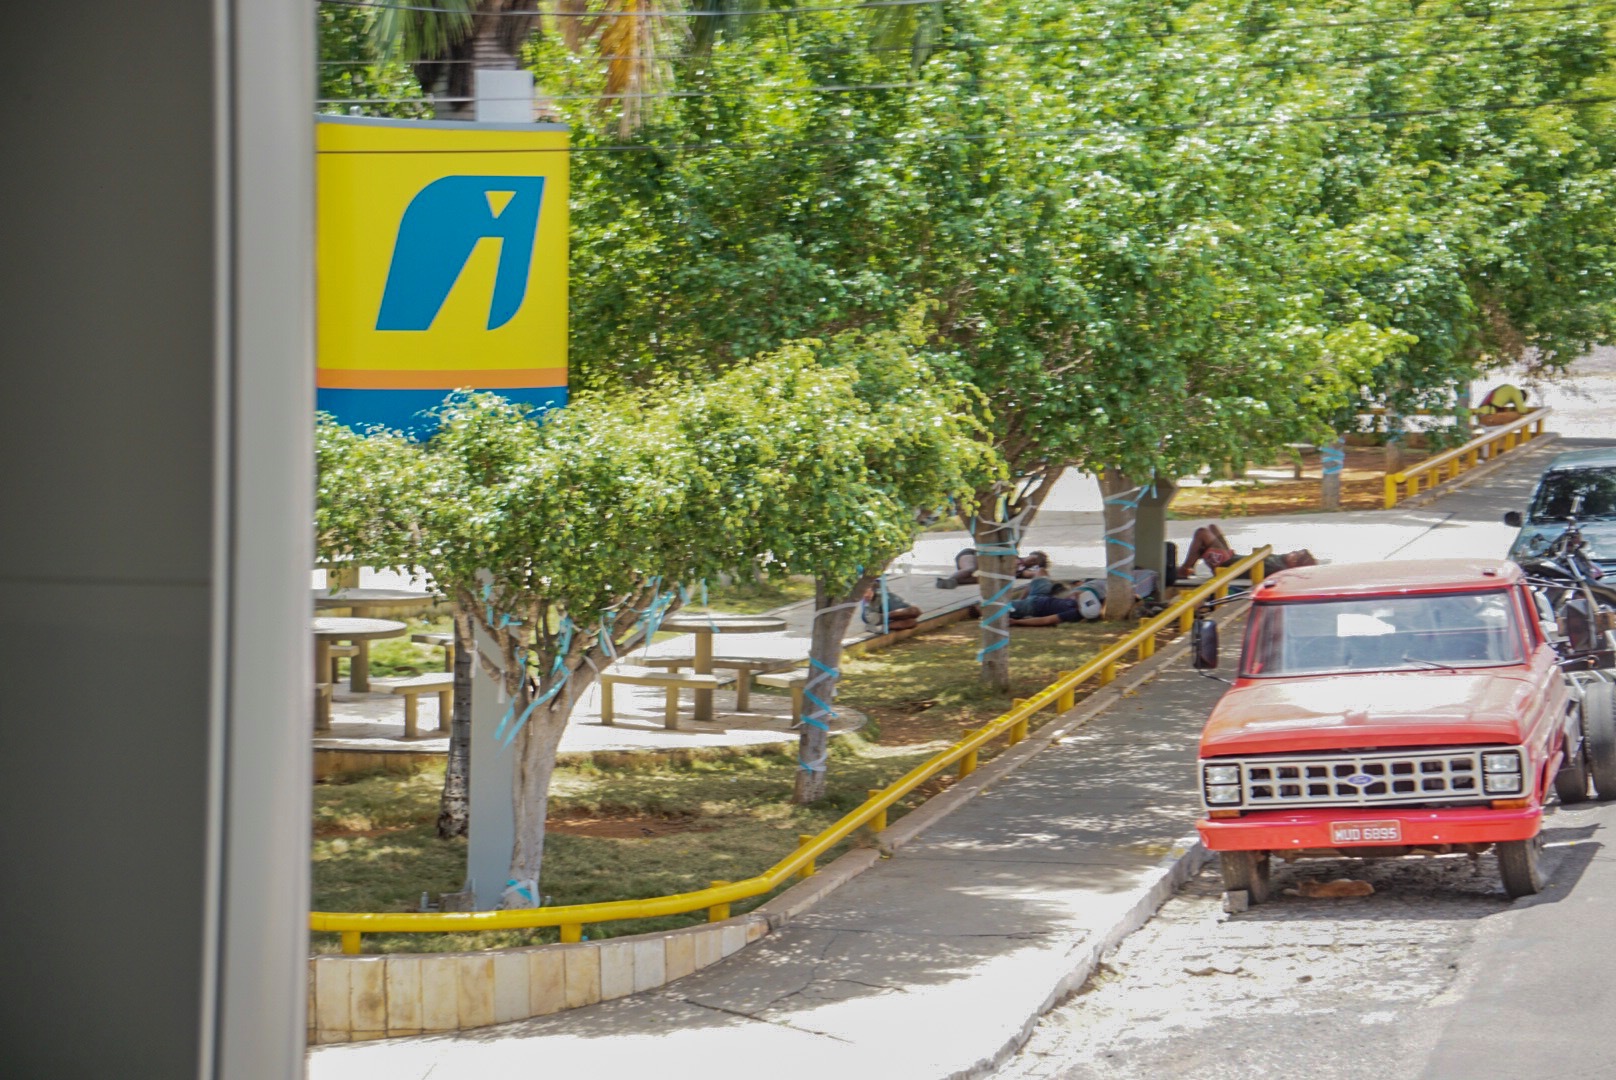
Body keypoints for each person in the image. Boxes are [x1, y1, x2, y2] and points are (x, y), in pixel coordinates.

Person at [1179, 523, 1316, 579]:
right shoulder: (1281, 560)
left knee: (1202, 533)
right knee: (1212, 528)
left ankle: (1185, 568)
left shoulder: (1277, 567)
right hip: (1234, 558)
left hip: (1228, 565)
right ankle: (1192, 561)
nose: (1292, 552)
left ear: (1294, 563)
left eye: (1295, 554)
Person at [937, 548, 1051, 588]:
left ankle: (953, 581)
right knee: (970, 569)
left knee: (984, 580)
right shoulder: (1013, 554)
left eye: (1035, 563)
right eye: (1033, 558)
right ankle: (947, 581)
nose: (1032, 561)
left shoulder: (1021, 572)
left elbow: (1036, 574)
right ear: (1031, 554)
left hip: (983, 570)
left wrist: (1041, 573)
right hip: (972, 556)